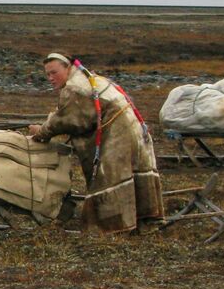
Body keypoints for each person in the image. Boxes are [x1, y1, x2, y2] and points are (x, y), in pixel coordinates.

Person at [27, 53, 164, 232]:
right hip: (133, 132)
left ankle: (114, 227)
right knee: (133, 172)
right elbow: (67, 112)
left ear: (67, 68)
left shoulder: (75, 88)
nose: (51, 78)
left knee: (109, 177)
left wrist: (41, 132)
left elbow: (67, 120)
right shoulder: (89, 78)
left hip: (117, 137)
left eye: (54, 72)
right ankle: (143, 221)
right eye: (47, 74)